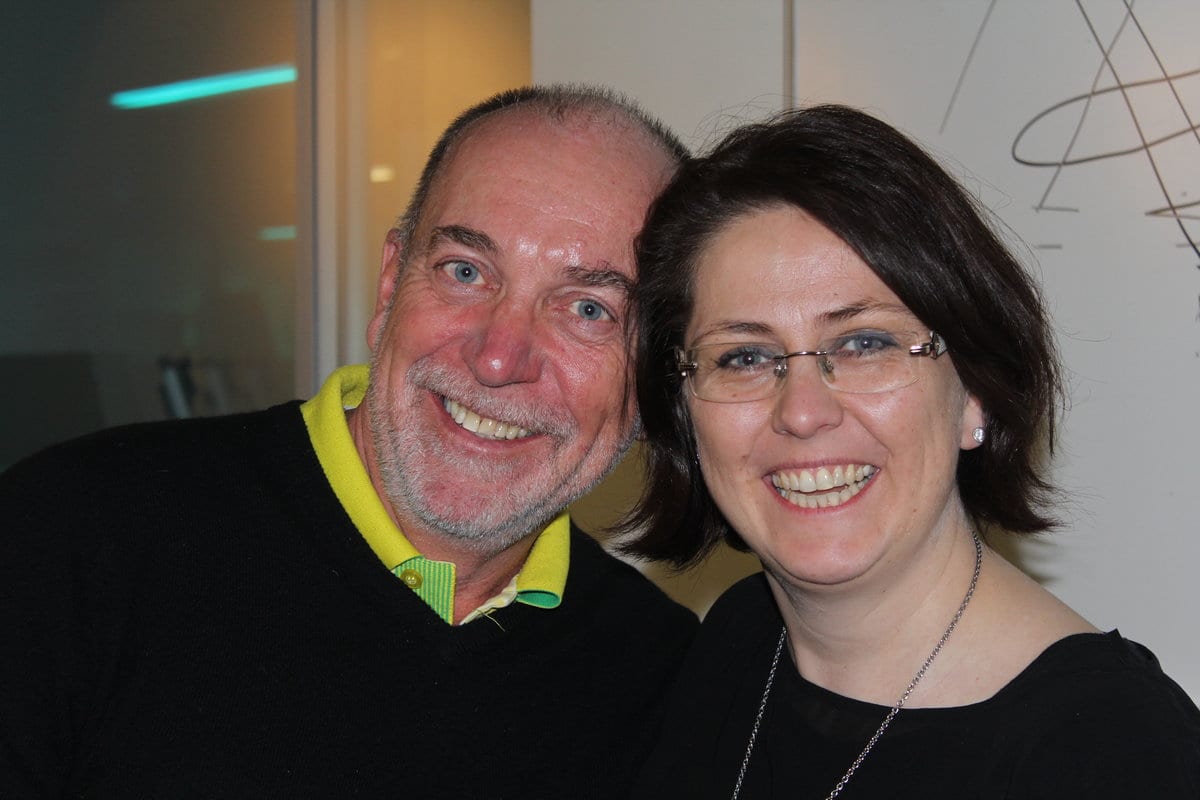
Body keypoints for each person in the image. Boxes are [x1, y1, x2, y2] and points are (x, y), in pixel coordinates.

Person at [0, 85, 698, 799]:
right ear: (391, 282)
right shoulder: (68, 538)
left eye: (589, 309)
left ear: (657, 371)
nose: (497, 357)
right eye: (465, 271)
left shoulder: (664, 677)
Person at [622, 104, 1200, 798]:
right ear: (684, 408)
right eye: (744, 356)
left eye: (864, 344)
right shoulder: (738, 643)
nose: (802, 412)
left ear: (975, 394)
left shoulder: (1111, 749)